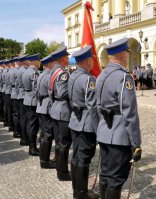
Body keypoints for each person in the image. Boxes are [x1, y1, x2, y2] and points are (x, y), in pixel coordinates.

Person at [96, 38, 142, 199]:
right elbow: (129, 113)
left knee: (105, 174)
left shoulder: (101, 75)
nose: (128, 57)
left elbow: (97, 106)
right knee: (115, 179)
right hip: (119, 135)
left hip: (104, 131)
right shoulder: (124, 77)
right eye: (127, 54)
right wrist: (136, 143)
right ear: (123, 55)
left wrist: (100, 129)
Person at [68, 46, 99, 199]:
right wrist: (99, 129)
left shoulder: (72, 76)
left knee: (76, 157)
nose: (93, 62)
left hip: (74, 120)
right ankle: (81, 193)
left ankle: (77, 190)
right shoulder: (88, 79)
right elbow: (92, 107)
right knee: (84, 158)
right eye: (92, 59)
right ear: (87, 61)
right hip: (86, 123)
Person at [49, 46, 72, 181]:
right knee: (63, 143)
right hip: (63, 110)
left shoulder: (53, 71)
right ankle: (63, 173)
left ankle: (59, 167)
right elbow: (63, 93)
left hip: (56, 109)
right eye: (67, 57)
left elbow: (50, 90)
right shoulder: (63, 73)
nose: (68, 58)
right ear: (63, 58)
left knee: (58, 142)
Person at [36, 55, 56, 168]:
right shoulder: (49, 76)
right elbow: (52, 93)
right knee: (48, 135)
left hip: (41, 105)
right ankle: (45, 161)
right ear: (50, 64)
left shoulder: (41, 74)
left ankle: (43, 159)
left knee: (44, 134)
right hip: (47, 107)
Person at [22, 54, 41, 156]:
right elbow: (36, 88)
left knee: (30, 123)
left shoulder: (26, 71)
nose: (40, 63)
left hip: (27, 98)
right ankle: (32, 147)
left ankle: (31, 144)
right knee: (33, 125)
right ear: (35, 62)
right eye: (39, 61)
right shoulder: (34, 73)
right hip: (33, 100)